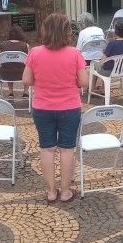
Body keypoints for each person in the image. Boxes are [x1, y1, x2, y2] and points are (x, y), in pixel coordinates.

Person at [23, 13, 89, 203]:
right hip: (69, 106)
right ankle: (66, 191)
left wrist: (42, 80)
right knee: (67, 149)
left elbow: (26, 80)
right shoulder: (74, 54)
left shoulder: (35, 53)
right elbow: (84, 82)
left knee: (47, 149)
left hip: (42, 106)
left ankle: (51, 191)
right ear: (67, 32)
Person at [0, 25, 30, 99]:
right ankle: (25, 92)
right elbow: (28, 61)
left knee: (9, 65)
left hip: (6, 74)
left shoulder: (3, 44)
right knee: (28, 68)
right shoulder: (25, 45)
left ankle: (10, 92)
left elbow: (2, 62)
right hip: (22, 74)